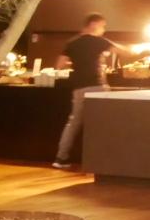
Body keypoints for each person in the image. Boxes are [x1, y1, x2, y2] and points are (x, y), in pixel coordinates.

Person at [54, 13, 132, 168]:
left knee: (73, 123)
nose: (103, 30)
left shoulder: (72, 43)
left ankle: (60, 158)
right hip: (97, 87)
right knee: (102, 123)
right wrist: (144, 47)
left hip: (79, 88)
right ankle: (101, 161)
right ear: (94, 24)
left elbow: (59, 65)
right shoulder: (99, 41)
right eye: (103, 26)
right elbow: (126, 52)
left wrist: (77, 63)